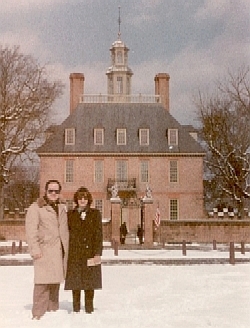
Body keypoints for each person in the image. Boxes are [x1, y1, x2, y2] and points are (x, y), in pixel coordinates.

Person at [25, 179, 69, 320]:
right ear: (46, 191)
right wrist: (35, 249)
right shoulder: (36, 208)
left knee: (54, 282)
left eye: (56, 191)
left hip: (58, 251)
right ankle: (38, 314)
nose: (53, 193)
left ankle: (52, 313)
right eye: (51, 191)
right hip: (44, 251)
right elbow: (31, 231)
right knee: (42, 284)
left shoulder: (62, 207)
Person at [64, 186, 103, 314]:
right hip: (75, 253)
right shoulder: (70, 214)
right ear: (76, 199)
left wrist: (97, 253)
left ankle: (89, 309)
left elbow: (98, 234)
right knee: (76, 283)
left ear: (88, 199)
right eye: (80, 197)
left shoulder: (95, 214)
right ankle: (75, 309)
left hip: (90, 253)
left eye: (85, 198)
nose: (82, 200)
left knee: (89, 283)